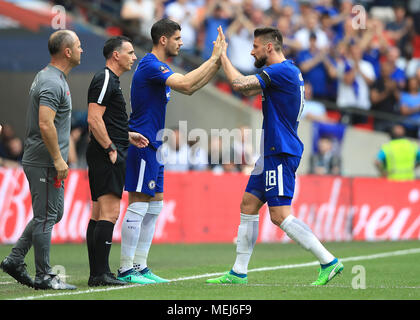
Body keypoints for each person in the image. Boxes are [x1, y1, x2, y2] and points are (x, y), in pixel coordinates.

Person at [206, 26, 343, 286]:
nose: (251, 50)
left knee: (279, 215)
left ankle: (329, 261)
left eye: (255, 46)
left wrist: (222, 55)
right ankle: (238, 272)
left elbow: (240, 85)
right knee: (248, 204)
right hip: (270, 152)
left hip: (281, 150)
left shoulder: (281, 71)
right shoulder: (285, 71)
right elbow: (248, 89)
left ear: (269, 47)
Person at [117, 18, 225, 284]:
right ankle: (125, 269)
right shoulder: (152, 65)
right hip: (143, 143)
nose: (182, 42)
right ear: (163, 40)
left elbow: (193, 86)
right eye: (178, 38)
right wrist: (213, 59)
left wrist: (217, 62)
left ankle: (140, 266)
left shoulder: (159, 67)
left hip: (155, 146)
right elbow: (187, 85)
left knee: (154, 208)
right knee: (139, 205)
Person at [0, 30, 82, 290]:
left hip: (43, 158)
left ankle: (14, 259)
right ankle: (45, 275)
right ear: (67, 52)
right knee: (47, 216)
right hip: (45, 160)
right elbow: (45, 124)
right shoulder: (51, 82)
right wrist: (58, 159)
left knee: (52, 214)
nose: (83, 50)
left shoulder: (50, 77)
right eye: (79, 46)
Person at [85, 36, 149, 287]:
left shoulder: (111, 81)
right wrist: (111, 147)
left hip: (108, 149)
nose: (134, 57)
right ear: (115, 55)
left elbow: (105, 119)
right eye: (130, 52)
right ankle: (101, 274)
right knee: (109, 214)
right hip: (107, 153)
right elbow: (94, 118)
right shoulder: (105, 79)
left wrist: (126, 135)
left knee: (99, 212)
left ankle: (97, 273)